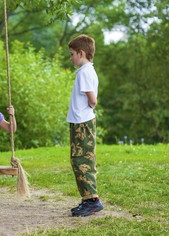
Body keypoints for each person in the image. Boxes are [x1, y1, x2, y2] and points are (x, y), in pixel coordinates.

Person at [67, 34, 104, 217]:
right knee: (77, 159)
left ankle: (93, 200)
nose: (71, 57)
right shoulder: (84, 71)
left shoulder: (85, 72)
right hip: (78, 122)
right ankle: (87, 199)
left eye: (72, 54)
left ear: (81, 53)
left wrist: (89, 107)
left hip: (83, 123)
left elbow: (93, 100)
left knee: (83, 160)